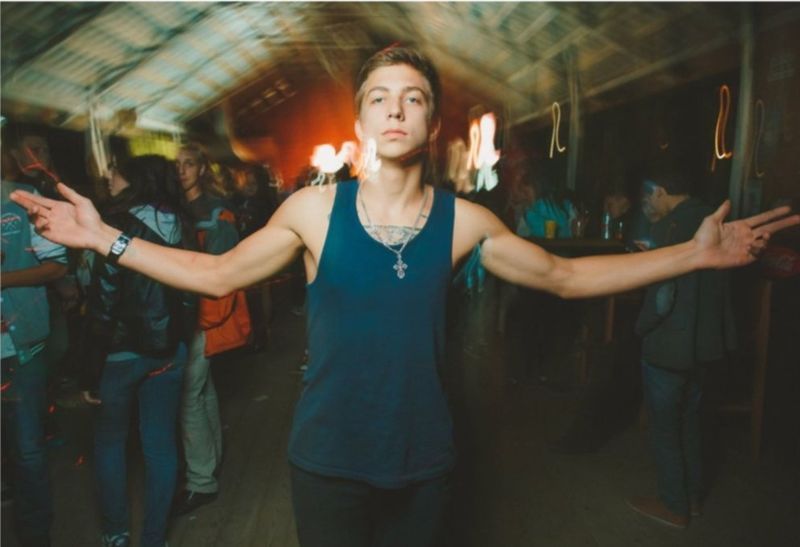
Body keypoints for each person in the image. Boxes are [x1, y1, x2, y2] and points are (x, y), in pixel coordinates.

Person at [10, 46, 798, 547]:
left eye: (412, 96)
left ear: (430, 121)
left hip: (424, 459)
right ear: (360, 120)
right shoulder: (314, 210)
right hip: (327, 460)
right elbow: (217, 275)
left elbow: (564, 277)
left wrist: (690, 255)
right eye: (380, 96)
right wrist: (103, 238)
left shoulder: (464, 222)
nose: (395, 107)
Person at [81, 155, 193, 547]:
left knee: (110, 442)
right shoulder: (182, 223)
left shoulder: (114, 226)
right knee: (160, 445)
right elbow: (190, 294)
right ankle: (154, 538)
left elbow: (103, 301)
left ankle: (116, 533)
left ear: (134, 179)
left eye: (115, 172)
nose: (109, 177)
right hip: (169, 351)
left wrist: (90, 370)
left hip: (121, 354)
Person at [627, 167, 737, 529]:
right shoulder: (714, 223)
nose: (647, 203)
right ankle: (692, 500)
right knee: (690, 422)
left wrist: (640, 328)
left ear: (660, 191)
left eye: (649, 195)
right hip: (705, 347)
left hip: (669, 346)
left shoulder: (668, 228)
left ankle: (673, 505)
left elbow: (662, 297)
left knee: (665, 427)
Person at [171, 143, 250, 516]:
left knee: (190, 394)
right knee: (203, 390)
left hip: (203, 313)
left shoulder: (216, 212)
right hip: (189, 313)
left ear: (202, 169)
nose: (181, 170)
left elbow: (223, 269)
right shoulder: (175, 207)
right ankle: (211, 461)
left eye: (188, 164)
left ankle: (201, 481)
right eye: (177, 165)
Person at [2, 176, 68, 547]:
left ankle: (36, 535)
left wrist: (3, 278)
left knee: (27, 448)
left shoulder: (22, 200)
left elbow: (57, 265)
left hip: (20, 345)